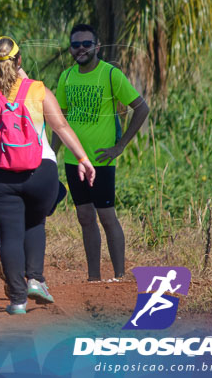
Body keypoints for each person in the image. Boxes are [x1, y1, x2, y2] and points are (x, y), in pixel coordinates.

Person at [0, 36, 96, 314]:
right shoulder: (38, 90)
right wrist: (83, 159)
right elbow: (61, 127)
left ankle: (18, 301)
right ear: (19, 61)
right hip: (41, 171)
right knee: (35, 224)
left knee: (9, 234)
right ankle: (35, 279)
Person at [52, 24, 149, 283]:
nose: (81, 49)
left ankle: (119, 276)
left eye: (86, 44)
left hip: (102, 160)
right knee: (85, 216)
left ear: (97, 46)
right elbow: (60, 120)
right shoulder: (66, 78)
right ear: (71, 49)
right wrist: (51, 155)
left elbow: (141, 108)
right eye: (75, 45)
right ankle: (93, 278)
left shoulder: (110, 75)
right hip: (74, 161)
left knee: (106, 216)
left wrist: (120, 146)